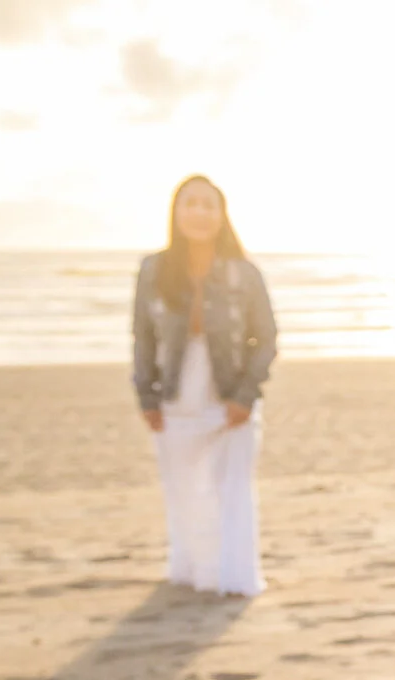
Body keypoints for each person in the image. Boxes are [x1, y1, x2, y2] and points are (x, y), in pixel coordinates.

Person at [130, 175, 277, 597]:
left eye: (207, 204)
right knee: (183, 488)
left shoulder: (244, 273)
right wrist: (146, 397)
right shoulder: (154, 270)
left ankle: (232, 577)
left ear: (221, 215)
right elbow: (143, 337)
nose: (198, 212)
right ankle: (194, 569)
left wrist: (246, 395)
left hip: (228, 393)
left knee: (230, 488)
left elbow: (265, 338)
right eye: (189, 203)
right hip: (176, 394)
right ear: (176, 213)